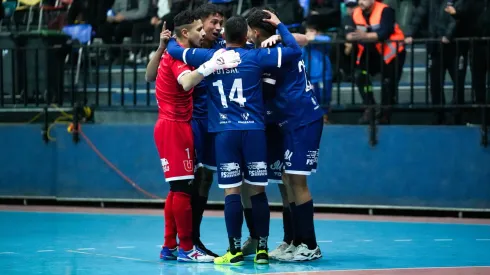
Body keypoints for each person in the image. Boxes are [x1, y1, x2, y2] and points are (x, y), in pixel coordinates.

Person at [166, 11, 303, 265]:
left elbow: (176, 51)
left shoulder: (210, 56)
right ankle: (262, 249)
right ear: (247, 35)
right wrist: (280, 26)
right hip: (254, 133)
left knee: (232, 192)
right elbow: (295, 51)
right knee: (258, 192)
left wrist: (167, 38)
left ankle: (234, 250)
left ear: (226, 36)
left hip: (225, 133)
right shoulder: (257, 57)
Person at [145, 10, 240, 262]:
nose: (207, 31)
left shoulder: (179, 51)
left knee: (177, 190)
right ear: (187, 33)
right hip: (174, 126)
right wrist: (212, 65)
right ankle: (187, 248)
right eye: (201, 28)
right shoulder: (177, 55)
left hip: (178, 125)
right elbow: (186, 82)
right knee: (183, 190)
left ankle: (170, 246)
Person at [246, 8, 324, 262]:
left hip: (302, 121)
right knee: (284, 182)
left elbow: (300, 43)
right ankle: (292, 240)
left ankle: (310, 245)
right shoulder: (270, 50)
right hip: (284, 123)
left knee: (296, 182)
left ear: (256, 32)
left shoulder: (273, 52)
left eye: (248, 30)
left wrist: (280, 29)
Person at [188, 3, 226, 258]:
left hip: (213, 123)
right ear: (200, 23)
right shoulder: (184, 50)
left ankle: (194, 238)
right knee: (187, 179)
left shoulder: (222, 47)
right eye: (213, 22)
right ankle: (181, 241)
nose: (218, 27)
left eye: (220, 22)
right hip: (191, 122)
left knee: (206, 178)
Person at [405, 0, 467, 124]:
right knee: (435, 83)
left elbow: (456, 18)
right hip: (435, 48)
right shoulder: (428, 2)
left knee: (458, 83)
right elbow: (418, 16)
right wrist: (410, 33)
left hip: (455, 48)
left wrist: (448, 35)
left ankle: (457, 114)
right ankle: (438, 113)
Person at [347, 0, 406, 124]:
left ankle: (385, 114)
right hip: (370, 53)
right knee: (360, 76)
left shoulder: (385, 10)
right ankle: (370, 107)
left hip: (392, 53)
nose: (360, 2)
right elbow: (348, 33)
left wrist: (364, 36)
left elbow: (384, 32)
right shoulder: (356, 12)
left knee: (388, 84)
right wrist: (351, 36)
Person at [445, 0, 490, 124]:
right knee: (478, 82)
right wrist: (456, 13)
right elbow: (465, 13)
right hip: (476, 45)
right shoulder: (472, 2)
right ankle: (481, 117)